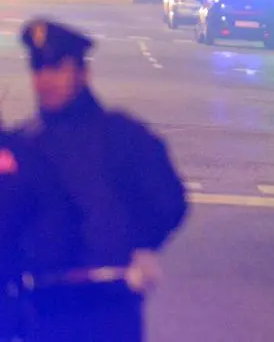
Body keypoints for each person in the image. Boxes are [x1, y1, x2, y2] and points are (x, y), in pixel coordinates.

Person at [0, 19, 188, 342]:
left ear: (82, 73)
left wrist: (132, 242)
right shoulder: (22, 143)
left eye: (58, 68)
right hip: (41, 308)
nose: (46, 80)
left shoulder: (121, 136)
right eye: (39, 70)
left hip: (105, 308)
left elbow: (169, 201)